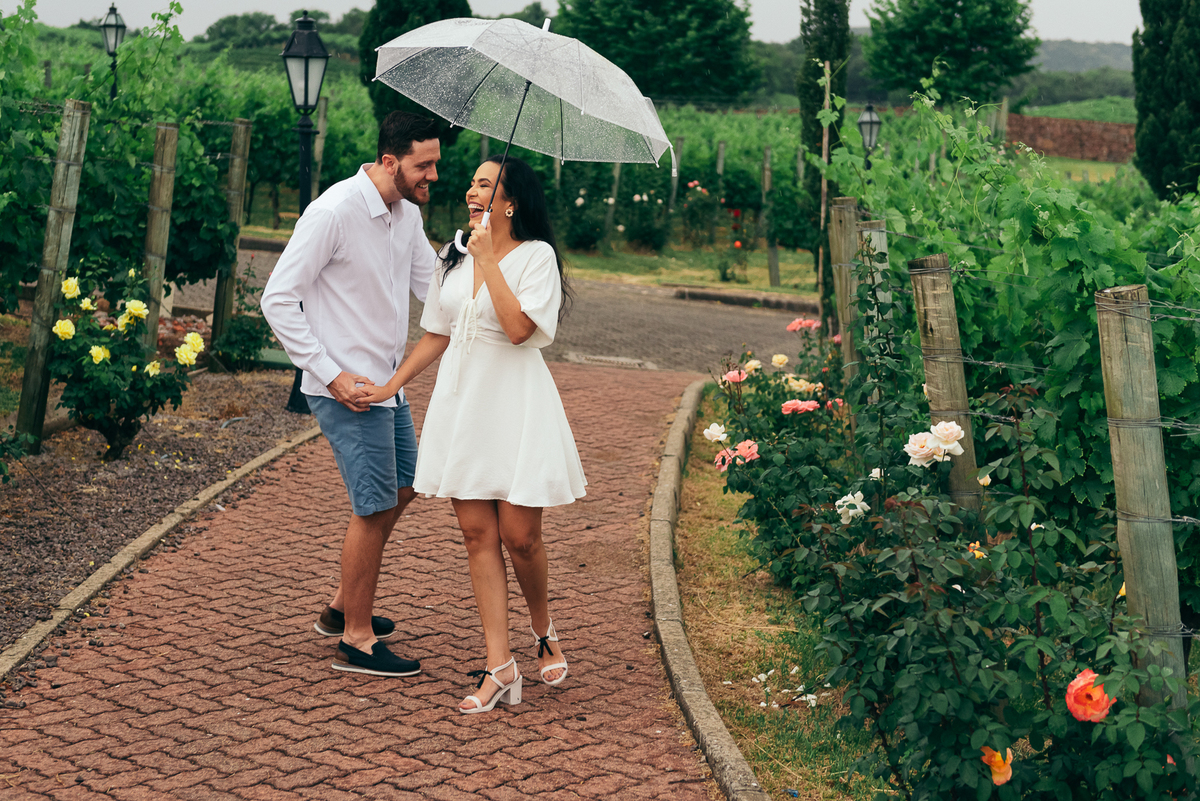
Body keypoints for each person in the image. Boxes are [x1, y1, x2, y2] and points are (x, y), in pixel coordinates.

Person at [360, 155, 586, 713]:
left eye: (485, 184)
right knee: (476, 536)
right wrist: (391, 384)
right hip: (464, 404)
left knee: (519, 535)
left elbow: (518, 331)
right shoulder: (453, 255)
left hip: (516, 404)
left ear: (510, 200)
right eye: (471, 183)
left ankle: (542, 628)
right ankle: (499, 665)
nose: (470, 191)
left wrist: (488, 261)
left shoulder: (537, 257)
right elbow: (437, 332)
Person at [260, 112, 441, 678]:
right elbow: (277, 299)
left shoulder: (406, 214)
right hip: (346, 389)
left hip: (388, 387)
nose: (433, 175)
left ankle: (342, 607)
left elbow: (433, 288)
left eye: (436, 163)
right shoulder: (333, 211)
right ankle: (357, 640)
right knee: (374, 505)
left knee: (411, 482)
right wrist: (330, 373)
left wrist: (478, 256)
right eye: (424, 165)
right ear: (391, 162)